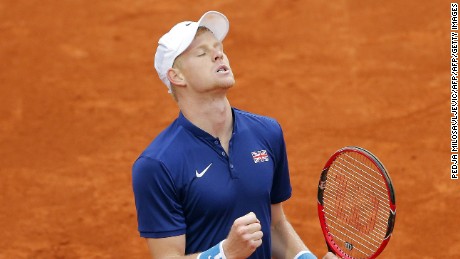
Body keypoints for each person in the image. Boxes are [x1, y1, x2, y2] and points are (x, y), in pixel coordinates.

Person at [132, 11, 338, 259]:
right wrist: (225, 254)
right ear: (177, 77)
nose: (218, 54)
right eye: (202, 53)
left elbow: (274, 225)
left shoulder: (267, 132)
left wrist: (306, 258)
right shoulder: (157, 165)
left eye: (218, 48)